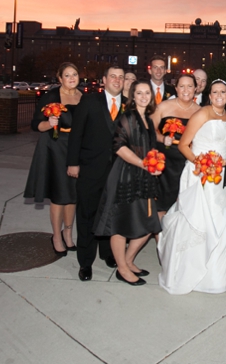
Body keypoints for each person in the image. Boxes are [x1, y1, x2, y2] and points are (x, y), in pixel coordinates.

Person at [157, 80, 226, 294]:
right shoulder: (201, 114)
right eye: (215, 92)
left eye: (223, 92)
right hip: (199, 175)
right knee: (198, 221)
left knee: (220, 222)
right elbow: (183, 145)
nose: (219, 95)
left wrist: (224, 164)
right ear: (209, 96)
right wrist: (201, 164)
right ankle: (187, 272)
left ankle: (215, 276)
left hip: (220, 179)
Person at [93, 80, 163, 286]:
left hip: (144, 174)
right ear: (132, 96)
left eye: (146, 93)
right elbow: (119, 147)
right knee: (120, 223)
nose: (143, 96)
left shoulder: (148, 119)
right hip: (126, 174)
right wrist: (144, 164)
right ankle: (122, 269)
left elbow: (149, 147)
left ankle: (129, 260)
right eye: (139, 93)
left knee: (150, 222)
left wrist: (155, 163)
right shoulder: (128, 117)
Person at [67, 66, 126, 281]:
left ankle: (108, 253)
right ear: (104, 79)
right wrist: (73, 163)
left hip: (117, 172)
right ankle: (85, 262)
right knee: (87, 215)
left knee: (111, 213)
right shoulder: (90, 102)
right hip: (90, 169)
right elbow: (76, 134)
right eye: (113, 76)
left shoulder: (128, 105)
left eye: (120, 77)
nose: (117, 80)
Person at [24, 62, 82, 256]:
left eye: (74, 74)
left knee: (73, 193)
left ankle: (68, 234)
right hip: (56, 147)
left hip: (77, 148)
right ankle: (56, 236)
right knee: (59, 193)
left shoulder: (84, 97)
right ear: (59, 78)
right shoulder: (51, 97)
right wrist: (49, 124)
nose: (72, 78)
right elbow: (35, 125)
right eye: (67, 75)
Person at [151, 73, 201, 216]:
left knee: (183, 204)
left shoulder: (200, 111)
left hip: (186, 163)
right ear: (176, 89)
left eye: (190, 86)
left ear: (195, 89)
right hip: (165, 163)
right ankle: (162, 238)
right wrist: (162, 138)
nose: (186, 90)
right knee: (162, 204)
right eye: (182, 86)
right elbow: (150, 130)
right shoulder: (163, 106)